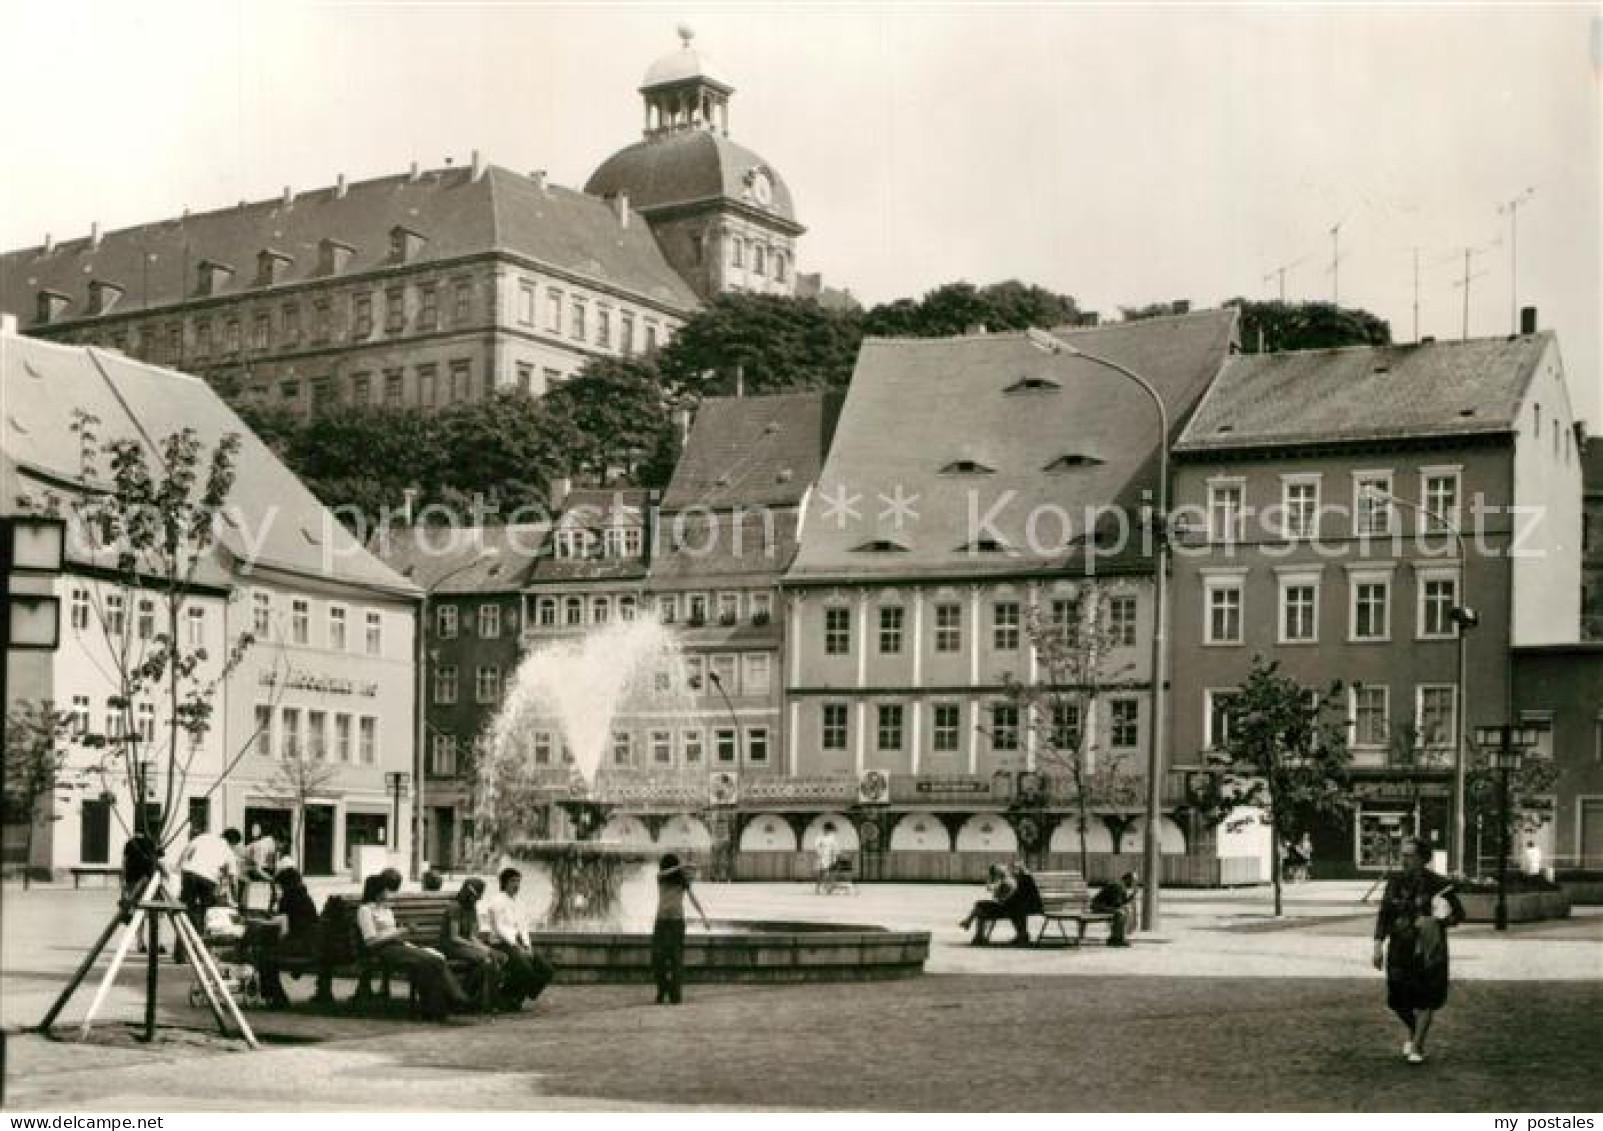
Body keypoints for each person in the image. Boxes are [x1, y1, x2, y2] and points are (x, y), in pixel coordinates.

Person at [1372, 837, 1466, 1064]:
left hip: (1427, 948)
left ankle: (1417, 1045)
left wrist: (1442, 919)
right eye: (1402, 855)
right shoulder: (1395, 882)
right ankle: (1416, 1032)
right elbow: (1385, 914)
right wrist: (1377, 945)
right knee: (1397, 999)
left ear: (1423, 858)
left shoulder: (1439, 884)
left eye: (1409, 856)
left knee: (1426, 997)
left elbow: (1459, 914)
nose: (1404, 860)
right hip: (1400, 946)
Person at [355, 868, 472, 1021]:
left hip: (398, 945)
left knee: (434, 959)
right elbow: (370, 941)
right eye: (386, 890)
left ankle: (443, 1005)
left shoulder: (386, 909)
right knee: (427, 961)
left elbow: (393, 932)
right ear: (377, 891)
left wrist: (402, 932)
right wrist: (401, 931)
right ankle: (451, 1002)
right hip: (382, 950)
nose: (389, 893)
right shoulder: (365, 910)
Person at [480, 867, 554, 1009]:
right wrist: (517, 946)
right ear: (505, 882)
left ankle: (515, 995)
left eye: (518, 881)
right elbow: (500, 928)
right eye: (513, 881)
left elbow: (523, 927)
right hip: (501, 944)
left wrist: (527, 946)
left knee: (546, 969)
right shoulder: (496, 902)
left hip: (518, 944)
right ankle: (509, 997)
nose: (517, 885)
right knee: (525, 969)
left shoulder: (519, 902)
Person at [254, 865, 320, 1008]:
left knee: (264, 956)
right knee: (269, 952)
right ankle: (276, 996)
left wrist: (265, 922)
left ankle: (277, 997)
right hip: (312, 944)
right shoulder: (306, 898)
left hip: (300, 946)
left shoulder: (288, 898)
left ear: (284, 885)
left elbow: (284, 930)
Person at [439, 877, 507, 1012]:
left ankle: (476, 998)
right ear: (470, 893)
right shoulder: (455, 907)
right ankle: (485, 1003)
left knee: (495, 957)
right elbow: (454, 937)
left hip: (464, 945)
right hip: (451, 946)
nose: (479, 898)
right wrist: (478, 948)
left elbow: (472, 936)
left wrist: (485, 948)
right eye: (478, 894)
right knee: (486, 959)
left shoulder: (472, 908)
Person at [176, 827, 241, 964]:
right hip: (207, 879)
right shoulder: (228, 850)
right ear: (233, 842)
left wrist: (180, 871)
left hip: (188, 874)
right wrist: (236, 899)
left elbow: (184, 853)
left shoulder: (204, 837)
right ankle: (202, 953)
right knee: (206, 915)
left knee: (185, 912)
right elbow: (233, 879)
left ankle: (180, 954)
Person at [653, 854, 710, 1004]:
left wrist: (703, 916)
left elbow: (693, 899)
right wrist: (681, 867)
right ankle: (663, 988)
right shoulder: (661, 878)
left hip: (676, 923)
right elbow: (664, 873)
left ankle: (675, 993)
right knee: (658, 959)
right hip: (661, 922)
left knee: (676, 959)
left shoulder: (682, 882)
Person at [959, 863, 1029, 945]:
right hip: (1010, 907)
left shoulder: (1005, 882)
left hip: (1006, 909)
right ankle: (972, 928)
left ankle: (976, 932)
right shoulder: (1010, 880)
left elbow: (996, 895)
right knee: (980, 908)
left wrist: (990, 880)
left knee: (980, 907)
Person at [1091, 871, 1140, 946]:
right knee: (1120, 913)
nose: (1134, 884)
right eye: (1134, 881)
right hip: (1098, 906)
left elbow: (1122, 902)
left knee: (1123, 911)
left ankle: (1116, 938)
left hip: (1105, 906)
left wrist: (1132, 896)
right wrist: (1125, 907)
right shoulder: (1118, 886)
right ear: (1127, 879)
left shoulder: (1122, 886)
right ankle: (1119, 939)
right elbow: (1117, 904)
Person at [814, 824, 839, 893]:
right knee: (821, 873)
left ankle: (829, 888)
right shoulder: (820, 837)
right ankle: (818, 888)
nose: (828, 831)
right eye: (826, 829)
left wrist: (835, 855)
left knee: (831, 873)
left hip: (831, 857)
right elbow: (816, 846)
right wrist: (820, 853)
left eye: (829, 830)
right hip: (822, 857)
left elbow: (836, 847)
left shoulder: (832, 837)